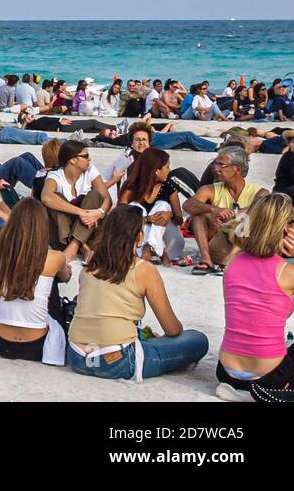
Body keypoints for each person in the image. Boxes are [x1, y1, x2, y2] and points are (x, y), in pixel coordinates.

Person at [67, 204, 209, 381]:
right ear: (139, 237)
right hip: (117, 360)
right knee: (197, 339)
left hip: (77, 356)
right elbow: (172, 329)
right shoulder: (143, 269)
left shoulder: (88, 268)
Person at [215, 193, 294, 402]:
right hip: (270, 377)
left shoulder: (231, 264)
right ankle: (259, 394)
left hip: (226, 372)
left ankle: (240, 391)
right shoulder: (287, 273)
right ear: (286, 228)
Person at [0, 197, 75, 365]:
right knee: (51, 280)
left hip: (0, 342)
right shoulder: (54, 258)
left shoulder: (0, 255)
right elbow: (67, 277)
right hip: (36, 346)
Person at [183, 145, 268, 274]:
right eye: (215, 165)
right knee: (199, 214)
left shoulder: (260, 192)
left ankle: (227, 262)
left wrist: (230, 217)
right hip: (218, 246)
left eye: (221, 165)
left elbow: (261, 210)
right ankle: (206, 260)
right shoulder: (210, 189)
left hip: (245, 249)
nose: (215, 169)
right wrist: (214, 210)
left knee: (247, 216)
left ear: (237, 169)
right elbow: (187, 205)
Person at [40, 138, 113, 257]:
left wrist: (98, 213)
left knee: (94, 195)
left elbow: (107, 199)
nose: (89, 159)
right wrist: (82, 212)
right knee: (56, 198)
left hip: (90, 230)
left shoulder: (90, 170)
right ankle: (82, 246)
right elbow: (46, 197)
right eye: (85, 156)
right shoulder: (56, 175)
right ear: (73, 160)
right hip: (62, 237)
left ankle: (75, 245)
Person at [118, 147, 184, 264]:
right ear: (156, 171)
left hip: (169, 243)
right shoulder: (132, 186)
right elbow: (120, 217)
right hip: (137, 243)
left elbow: (179, 220)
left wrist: (170, 215)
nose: (169, 170)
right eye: (167, 167)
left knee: (163, 206)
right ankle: (153, 250)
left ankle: (149, 248)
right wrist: (146, 219)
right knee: (135, 208)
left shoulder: (169, 187)